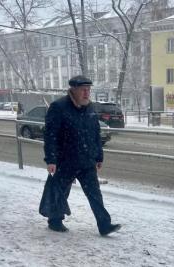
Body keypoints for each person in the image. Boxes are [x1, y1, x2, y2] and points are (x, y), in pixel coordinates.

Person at [41, 75, 121, 236]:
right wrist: (51, 159)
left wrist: (99, 156)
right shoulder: (59, 107)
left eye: (89, 90)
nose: (87, 93)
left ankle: (104, 225)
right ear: (74, 90)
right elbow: (51, 135)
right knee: (61, 191)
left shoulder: (89, 107)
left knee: (95, 194)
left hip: (86, 161)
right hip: (66, 160)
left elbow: (95, 134)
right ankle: (55, 220)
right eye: (84, 90)